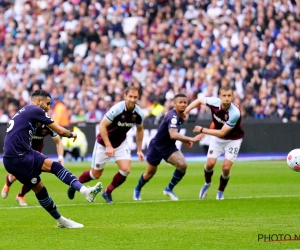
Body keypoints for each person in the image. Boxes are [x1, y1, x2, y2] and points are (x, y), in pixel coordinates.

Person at [2, 89, 102, 228]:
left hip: (21, 153)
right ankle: (62, 221)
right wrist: (71, 134)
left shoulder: (25, 111)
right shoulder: (35, 110)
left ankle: (84, 191)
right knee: (40, 188)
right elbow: (60, 131)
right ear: (38, 101)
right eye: (47, 104)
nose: (49, 107)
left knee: (53, 168)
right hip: (18, 157)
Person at [67, 86, 145, 204]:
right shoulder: (117, 109)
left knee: (125, 169)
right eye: (130, 97)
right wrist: (108, 145)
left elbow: (140, 130)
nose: (133, 100)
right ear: (125, 96)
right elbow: (102, 126)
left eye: (135, 97)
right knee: (95, 174)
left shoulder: (139, 113)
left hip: (120, 142)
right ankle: (75, 184)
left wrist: (139, 149)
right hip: (104, 142)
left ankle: (107, 192)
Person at [133, 93, 204, 201]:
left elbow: (174, 133)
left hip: (169, 148)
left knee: (182, 165)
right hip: (156, 148)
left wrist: (183, 141)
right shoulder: (173, 116)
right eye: (180, 102)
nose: (183, 105)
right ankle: (137, 189)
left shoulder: (181, 115)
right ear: (174, 104)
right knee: (149, 174)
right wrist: (191, 139)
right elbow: (173, 134)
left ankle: (169, 189)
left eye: (185, 102)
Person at [183, 86, 244, 200]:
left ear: (232, 96)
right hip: (217, 138)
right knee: (210, 164)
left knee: (226, 168)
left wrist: (202, 130)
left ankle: (220, 191)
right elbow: (199, 100)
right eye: (224, 96)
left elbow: (222, 133)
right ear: (219, 97)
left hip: (233, 140)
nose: (226, 98)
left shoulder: (235, 112)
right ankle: (207, 183)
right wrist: (186, 111)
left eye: (229, 96)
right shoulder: (214, 102)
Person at [1, 123, 65, 206]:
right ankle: (8, 182)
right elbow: (12, 133)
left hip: (36, 152)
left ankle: (20, 196)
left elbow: (58, 142)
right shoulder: (27, 122)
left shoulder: (48, 124)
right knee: (20, 173)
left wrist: (60, 158)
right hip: (23, 149)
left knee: (34, 176)